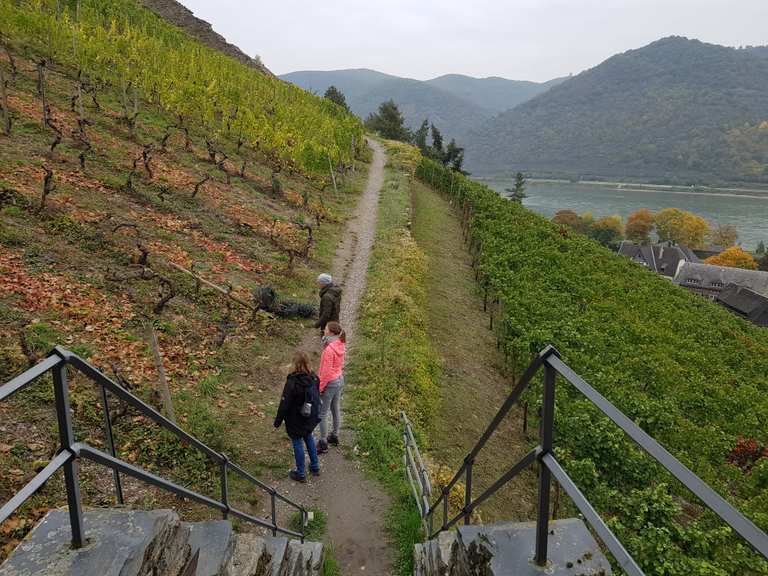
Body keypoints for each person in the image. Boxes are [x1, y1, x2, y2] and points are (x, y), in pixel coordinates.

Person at [273, 351, 321, 483]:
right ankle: (315, 467)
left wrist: (277, 422)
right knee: (309, 437)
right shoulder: (314, 378)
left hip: (295, 420)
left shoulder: (292, 382)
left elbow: (284, 403)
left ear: (295, 364)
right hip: (309, 417)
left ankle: (301, 473)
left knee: (297, 442)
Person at [317, 321, 346, 454]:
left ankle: (323, 442)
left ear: (331, 333)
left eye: (326, 329)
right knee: (335, 408)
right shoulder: (340, 344)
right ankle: (334, 435)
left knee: (322, 413)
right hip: (339, 379)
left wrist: (320, 388)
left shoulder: (329, 350)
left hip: (331, 382)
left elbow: (326, 373)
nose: (324, 330)